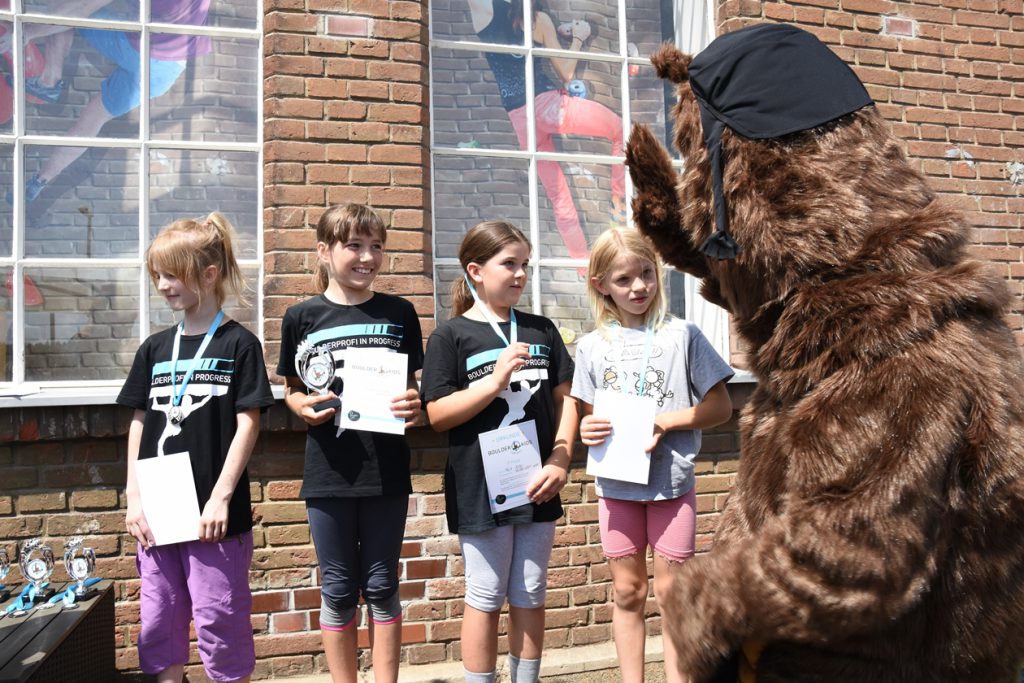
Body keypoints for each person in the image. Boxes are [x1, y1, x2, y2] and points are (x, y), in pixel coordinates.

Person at [117, 212, 275, 683]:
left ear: (209, 275)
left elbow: (249, 422)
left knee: (218, 619)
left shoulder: (239, 345)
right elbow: (139, 422)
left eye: (172, 274)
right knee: (159, 620)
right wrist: (134, 498)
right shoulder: (154, 349)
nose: (163, 285)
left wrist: (222, 496)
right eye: (157, 275)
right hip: (159, 512)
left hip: (214, 515)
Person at [571, 228, 733, 683]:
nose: (639, 287)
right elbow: (587, 418)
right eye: (624, 279)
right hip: (617, 488)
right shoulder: (590, 347)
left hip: (671, 484)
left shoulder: (684, 335)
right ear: (601, 284)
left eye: (646, 274)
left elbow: (720, 407)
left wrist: (666, 422)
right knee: (627, 591)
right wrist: (586, 427)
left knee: (671, 593)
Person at [420, 220, 578, 683]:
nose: (520, 274)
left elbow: (567, 400)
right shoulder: (450, 337)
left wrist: (562, 459)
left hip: (537, 481)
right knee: (485, 595)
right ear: (476, 270)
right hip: (478, 485)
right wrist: (493, 382)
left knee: (530, 591)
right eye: (509, 264)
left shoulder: (542, 330)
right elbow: (437, 414)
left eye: (525, 265)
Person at [276, 203, 424, 683]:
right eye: (354, 246)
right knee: (338, 589)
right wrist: (297, 407)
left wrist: (414, 404)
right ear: (324, 251)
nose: (367, 257)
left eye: (376, 247)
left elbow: (414, 388)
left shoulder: (400, 313)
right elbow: (291, 389)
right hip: (328, 471)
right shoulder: (300, 317)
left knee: (382, 585)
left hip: (386, 470)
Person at [5, 0, 211, 204]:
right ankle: (39, 181)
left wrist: (28, 32)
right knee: (91, 123)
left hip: (139, 50)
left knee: (63, 9)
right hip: (166, 70)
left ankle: (49, 81)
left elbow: (81, 6)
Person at [468, 0, 626, 261]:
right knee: (621, 129)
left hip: (520, 120)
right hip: (547, 106)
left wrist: (556, 32)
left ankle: (582, 267)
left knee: (559, 198)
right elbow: (566, 71)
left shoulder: (484, 14)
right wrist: (577, 37)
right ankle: (618, 218)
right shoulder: (538, 20)